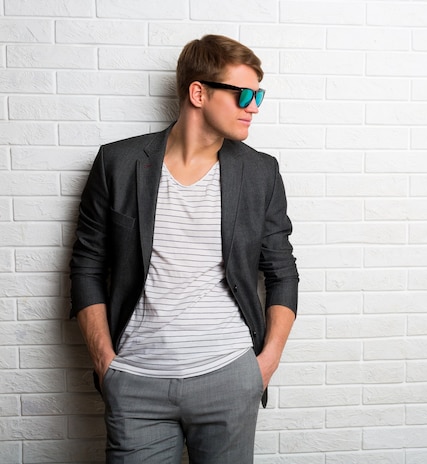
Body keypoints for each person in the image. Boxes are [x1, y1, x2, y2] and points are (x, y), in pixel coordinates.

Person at [69, 34, 298, 463]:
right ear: (198, 92)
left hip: (230, 376)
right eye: (243, 93)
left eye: (259, 94)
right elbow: (86, 266)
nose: (254, 106)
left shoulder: (260, 172)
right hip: (136, 382)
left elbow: (282, 271)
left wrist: (264, 365)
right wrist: (105, 361)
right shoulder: (117, 163)